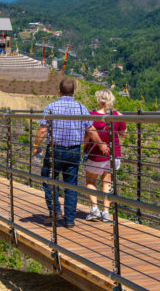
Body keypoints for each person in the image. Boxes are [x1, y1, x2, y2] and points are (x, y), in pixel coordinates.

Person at [33, 78, 103, 228]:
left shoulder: (51, 107)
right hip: (74, 151)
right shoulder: (81, 108)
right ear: (74, 92)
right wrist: (101, 144)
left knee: (48, 179)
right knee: (71, 185)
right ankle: (70, 220)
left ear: (59, 91)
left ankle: (55, 212)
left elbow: (43, 130)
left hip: (55, 151)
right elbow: (90, 130)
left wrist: (36, 146)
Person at [84, 89, 127, 223]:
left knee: (90, 181)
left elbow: (87, 135)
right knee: (107, 181)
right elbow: (123, 134)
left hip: (96, 154)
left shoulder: (93, 116)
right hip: (114, 154)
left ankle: (94, 210)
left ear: (99, 100)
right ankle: (106, 212)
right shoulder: (117, 115)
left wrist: (84, 147)